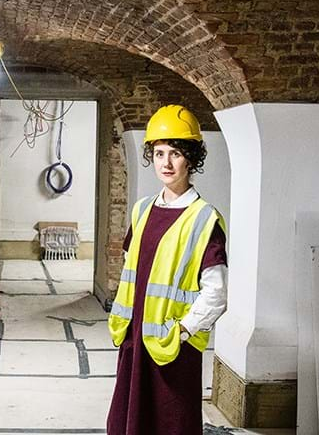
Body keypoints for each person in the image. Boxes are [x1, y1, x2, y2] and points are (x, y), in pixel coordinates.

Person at [107, 104, 228, 435]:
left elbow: (216, 294)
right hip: (135, 340)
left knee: (172, 424)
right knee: (130, 423)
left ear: (190, 157)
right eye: (159, 153)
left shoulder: (204, 219)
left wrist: (183, 331)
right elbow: (133, 271)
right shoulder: (142, 210)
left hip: (173, 348)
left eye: (175, 153)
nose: (166, 163)